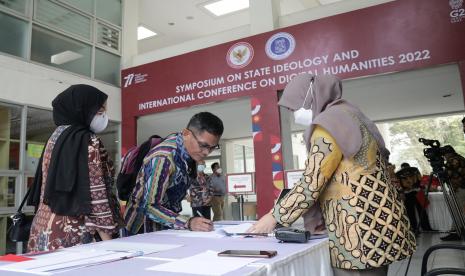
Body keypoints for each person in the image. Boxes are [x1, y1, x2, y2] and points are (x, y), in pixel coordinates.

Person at [249, 74, 416, 276]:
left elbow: (312, 181)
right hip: (379, 220)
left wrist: (273, 217)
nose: (293, 114)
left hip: (357, 226)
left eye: (295, 107)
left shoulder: (328, 126)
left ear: (311, 98)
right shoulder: (350, 114)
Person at [27, 84, 123, 253]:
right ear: (82, 109)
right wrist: (111, 244)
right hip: (75, 237)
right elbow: (96, 196)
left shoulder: (55, 137)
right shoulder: (88, 142)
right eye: (100, 110)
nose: (103, 116)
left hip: (43, 231)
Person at [124, 112, 223, 234]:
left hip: (166, 228)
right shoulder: (164, 157)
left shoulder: (190, 156)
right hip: (141, 231)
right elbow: (149, 206)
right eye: (203, 145)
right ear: (186, 134)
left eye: (213, 147)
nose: (206, 152)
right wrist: (189, 223)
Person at [440, 145, 465, 241]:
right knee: (460, 210)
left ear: (447, 154)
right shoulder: (461, 158)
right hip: (462, 187)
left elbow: (447, 174)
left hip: (459, 188)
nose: (444, 157)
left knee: (456, 210)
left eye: (444, 155)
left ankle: (456, 232)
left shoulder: (452, 160)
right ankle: (460, 230)